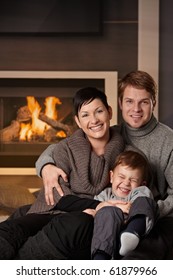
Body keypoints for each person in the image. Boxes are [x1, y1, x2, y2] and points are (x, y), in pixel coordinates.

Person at [33, 70, 173, 259]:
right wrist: (46, 165)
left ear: (153, 103)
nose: (136, 109)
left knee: (138, 254)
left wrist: (147, 211)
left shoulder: (168, 140)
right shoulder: (113, 133)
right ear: (119, 104)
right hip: (112, 210)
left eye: (144, 102)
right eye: (130, 101)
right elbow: (67, 144)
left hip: (153, 215)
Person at [0, 86, 125, 259]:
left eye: (99, 111)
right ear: (78, 121)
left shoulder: (123, 152)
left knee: (77, 223)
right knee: (10, 230)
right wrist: (95, 205)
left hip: (80, 219)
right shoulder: (64, 148)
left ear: (109, 112)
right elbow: (60, 197)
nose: (94, 120)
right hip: (50, 210)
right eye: (85, 115)